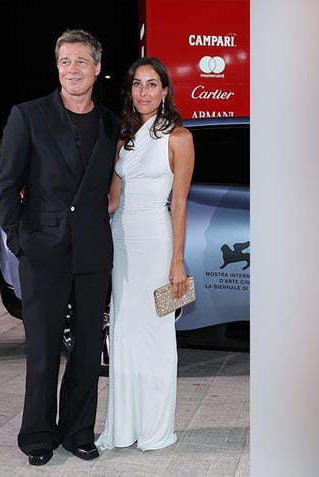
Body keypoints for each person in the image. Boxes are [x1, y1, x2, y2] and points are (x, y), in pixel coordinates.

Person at [0, 28, 120, 466]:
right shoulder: (28, 115)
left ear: (97, 68)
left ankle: (78, 432)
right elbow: (7, 185)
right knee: (43, 352)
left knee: (87, 350)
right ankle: (37, 437)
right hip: (43, 251)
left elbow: (114, 184)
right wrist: (19, 239)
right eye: (65, 61)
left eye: (81, 61)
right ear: (57, 67)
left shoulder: (110, 123)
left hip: (91, 254)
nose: (72, 69)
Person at [94, 56, 195, 452]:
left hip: (156, 242)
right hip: (122, 242)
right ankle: (124, 427)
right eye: (137, 84)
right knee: (124, 333)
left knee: (155, 334)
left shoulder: (179, 138)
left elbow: (181, 204)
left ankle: (154, 428)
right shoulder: (125, 139)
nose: (143, 92)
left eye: (152, 84)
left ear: (165, 91)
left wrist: (177, 261)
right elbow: (112, 203)